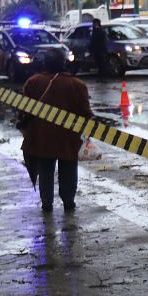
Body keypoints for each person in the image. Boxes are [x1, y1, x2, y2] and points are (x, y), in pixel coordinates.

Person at [20, 49, 93, 212]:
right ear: (64, 63)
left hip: (41, 138)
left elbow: (23, 110)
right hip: (68, 138)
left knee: (45, 170)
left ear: (44, 63)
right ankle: (69, 202)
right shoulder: (77, 84)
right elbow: (85, 112)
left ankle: (47, 203)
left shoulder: (33, 82)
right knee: (68, 169)